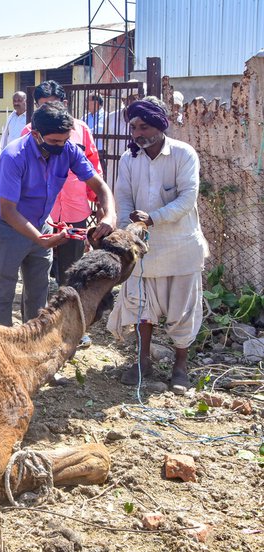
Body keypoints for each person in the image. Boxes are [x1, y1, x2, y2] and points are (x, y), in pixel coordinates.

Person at [107, 97, 208, 394]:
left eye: (144, 126)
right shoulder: (129, 159)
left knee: (183, 310)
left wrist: (154, 218)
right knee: (141, 307)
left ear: (160, 125)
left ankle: (180, 366)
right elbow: (123, 197)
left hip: (180, 248)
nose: (137, 133)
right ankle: (143, 362)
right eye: (133, 127)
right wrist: (130, 230)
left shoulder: (183, 154)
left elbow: (187, 199)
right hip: (143, 248)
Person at [0, 101, 116, 327]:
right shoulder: (14, 156)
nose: (61, 146)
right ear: (36, 134)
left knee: (38, 291)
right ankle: (0, 345)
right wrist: (38, 238)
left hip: (41, 226)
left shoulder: (69, 149)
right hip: (8, 228)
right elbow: (8, 210)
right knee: (3, 290)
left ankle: (33, 343)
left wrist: (109, 215)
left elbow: (100, 186)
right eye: (55, 141)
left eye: (65, 140)